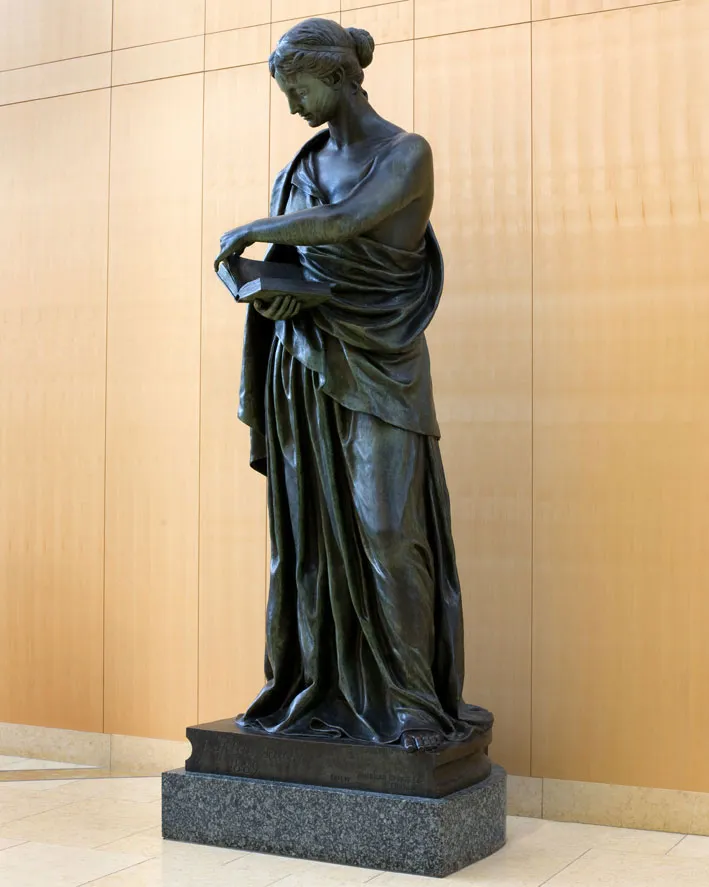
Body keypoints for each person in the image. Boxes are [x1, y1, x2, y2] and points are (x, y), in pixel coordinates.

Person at [215, 18, 492, 753]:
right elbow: (294, 261)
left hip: (382, 365)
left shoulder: (407, 154)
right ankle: (317, 686)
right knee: (307, 537)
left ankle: (412, 706)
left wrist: (250, 231)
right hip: (303, 362)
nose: (291, 107)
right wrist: (261, 290)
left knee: (386, 530)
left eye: (296, 88)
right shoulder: (301, 164)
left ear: (336, 76)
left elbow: (346, 222)